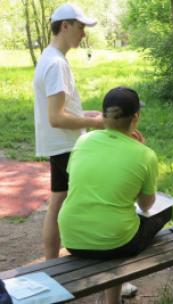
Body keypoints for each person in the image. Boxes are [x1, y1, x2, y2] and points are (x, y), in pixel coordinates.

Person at [58, 87, 172, 304]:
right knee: (163, 212)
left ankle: (112, 300)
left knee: (115, 219)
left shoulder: (83, 141)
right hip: (116, 242)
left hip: (72, 237)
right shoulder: (144, 155)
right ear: (135, 117)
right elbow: (146, 205)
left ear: (103, 116)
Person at [33, 3, 103, 260]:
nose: (83, 33)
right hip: (67, 146)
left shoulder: (49, 57)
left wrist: (85, 115)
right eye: (80, 27)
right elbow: (56, 117)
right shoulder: (56, 64)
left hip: (59, 144)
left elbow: (60, 109)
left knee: (57, 201)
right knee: (90, 204)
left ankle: (52, 265)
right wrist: (98, 124)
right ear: (65, 26)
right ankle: (98, 265)